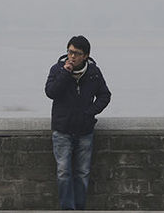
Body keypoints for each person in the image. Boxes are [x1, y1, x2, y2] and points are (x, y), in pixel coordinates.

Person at [45, 35, 111, 210]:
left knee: (82, 173)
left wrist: (89, 113)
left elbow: (105, 95)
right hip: (62, 130)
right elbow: (51, 92)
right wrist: (65, 73)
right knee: (63, 172)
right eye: (70, 52)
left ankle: (79, 208)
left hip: (84, 131)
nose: (72, 56)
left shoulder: (93, 73)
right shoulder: (57, 69)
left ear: (86, 56)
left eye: (77, 53)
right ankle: (68, 209)